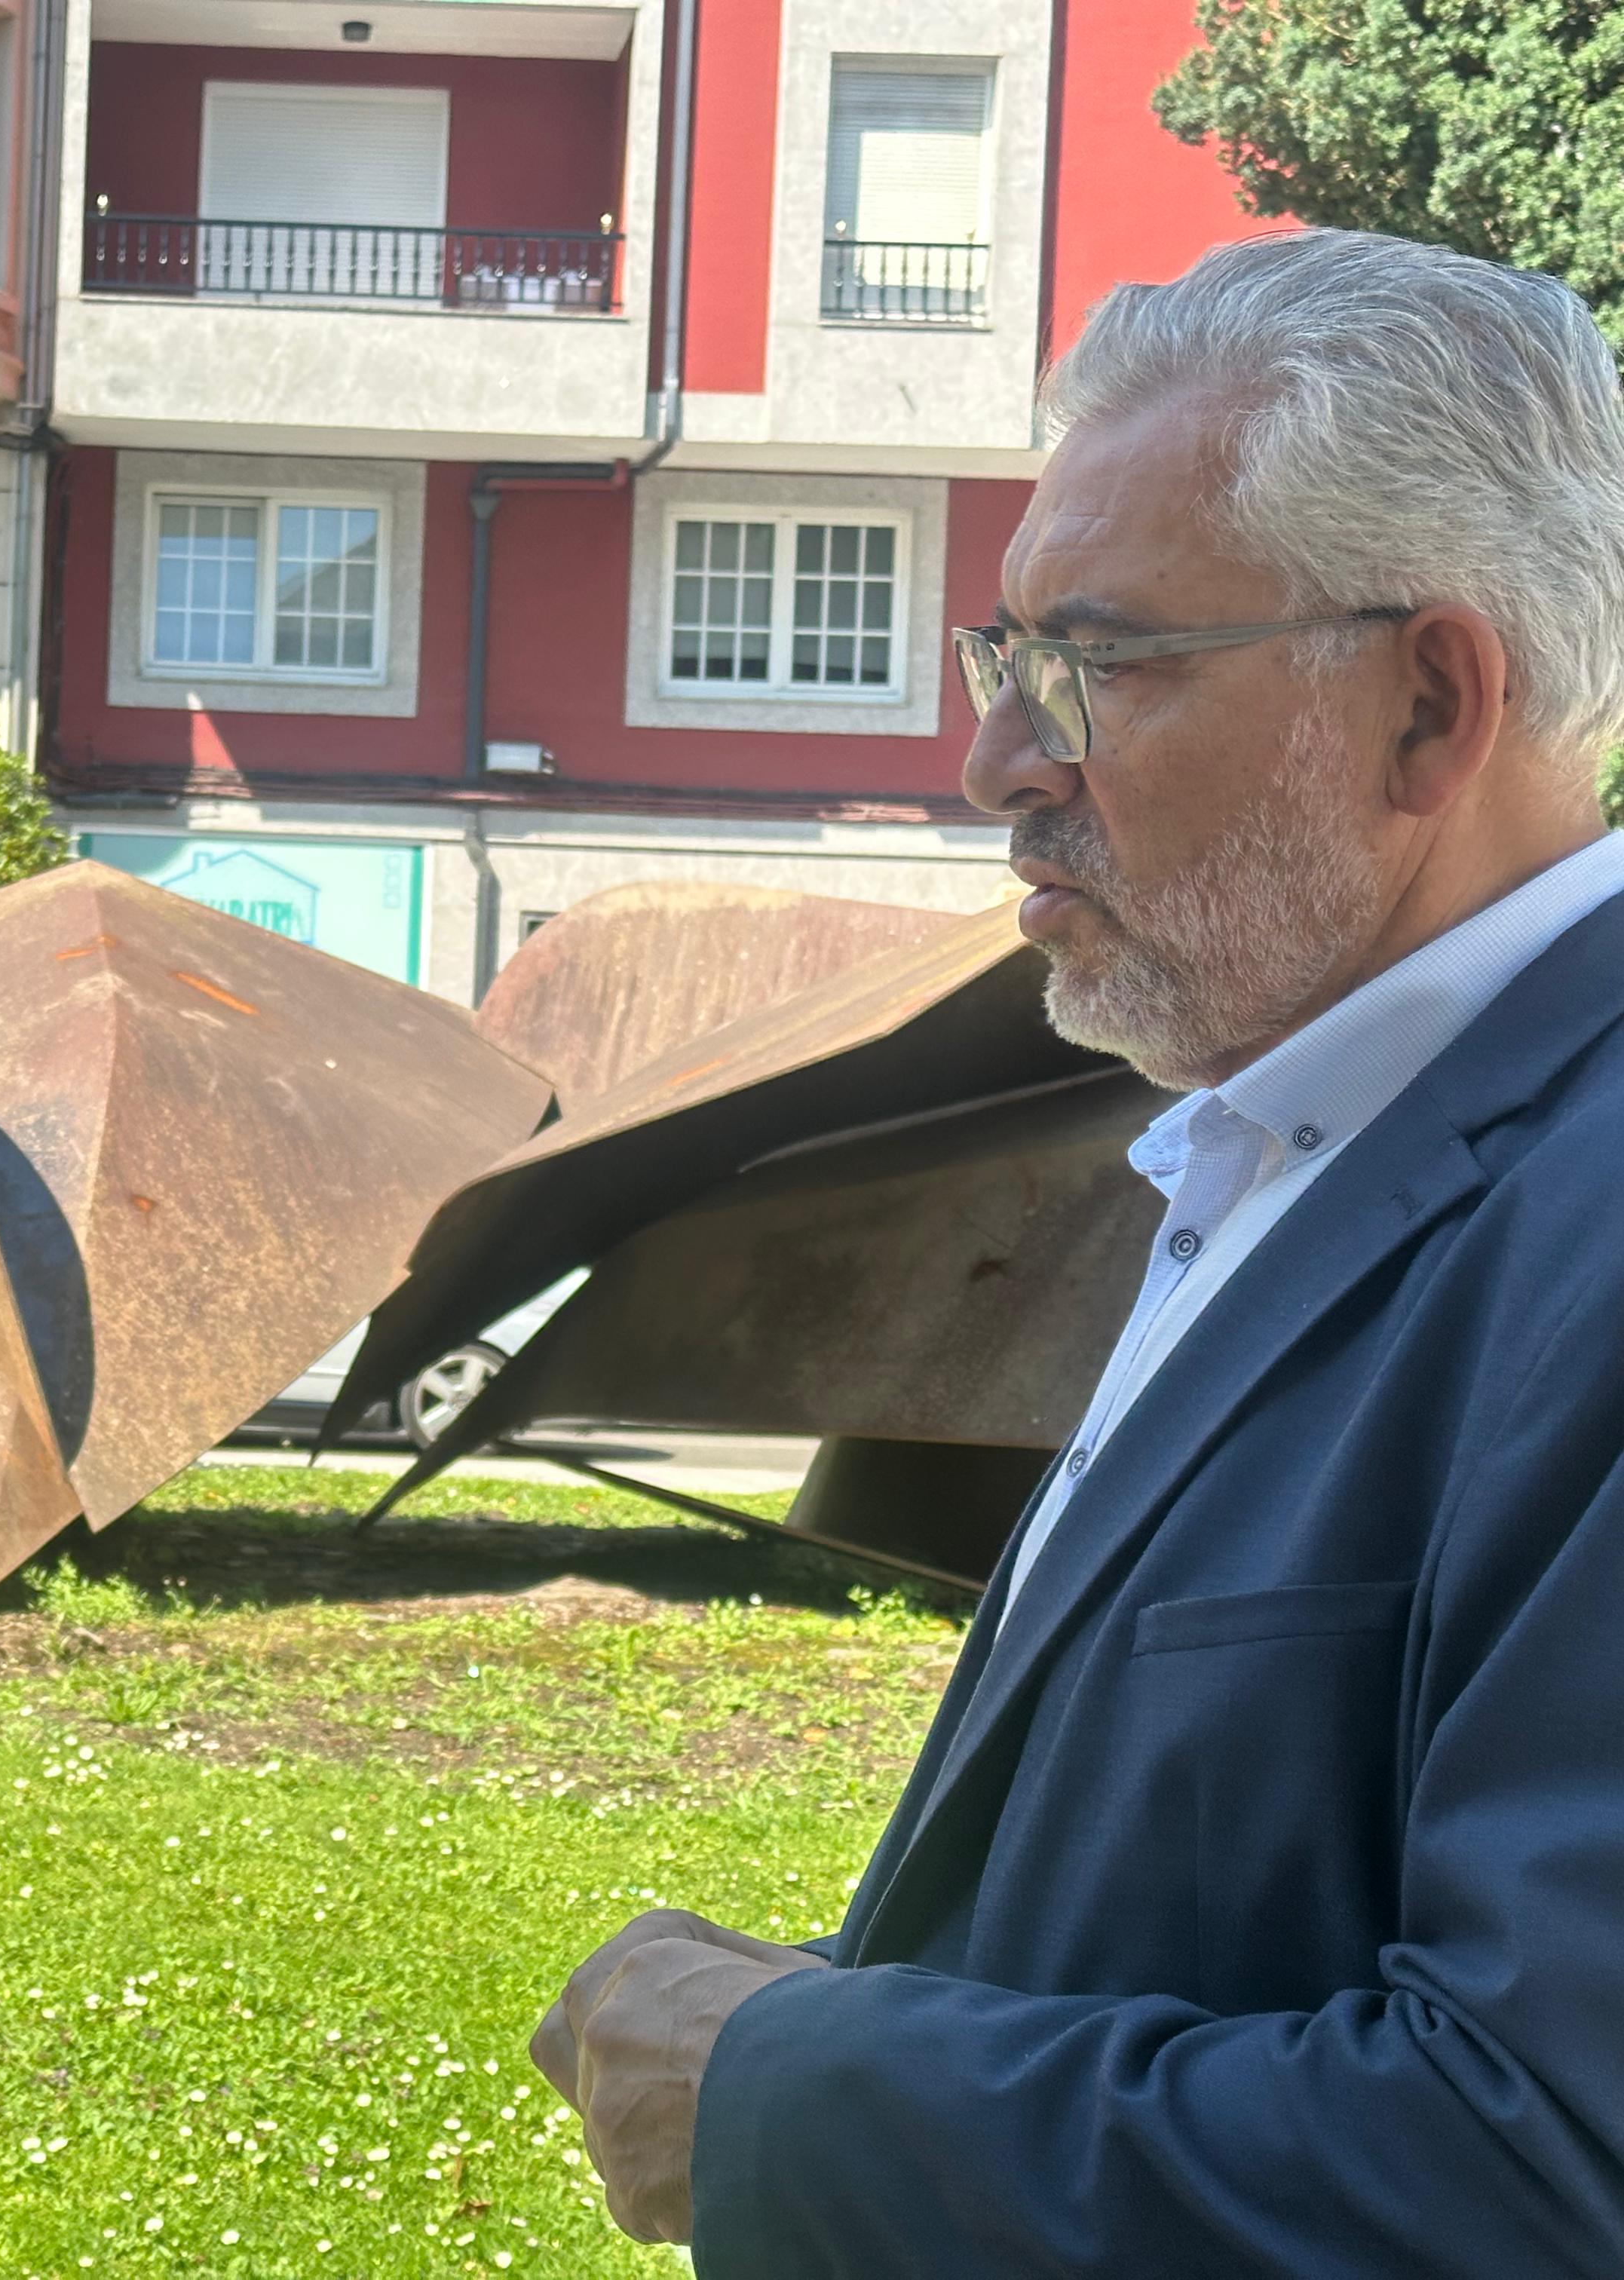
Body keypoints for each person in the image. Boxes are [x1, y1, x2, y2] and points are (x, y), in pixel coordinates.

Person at [533, 228, 1624, 2272]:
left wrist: (798, 2093)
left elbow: (1553, 2171)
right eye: (1002, 657)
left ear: (1430, 703)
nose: (993, 766)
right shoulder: (1284, 1138)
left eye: (1101, 665)